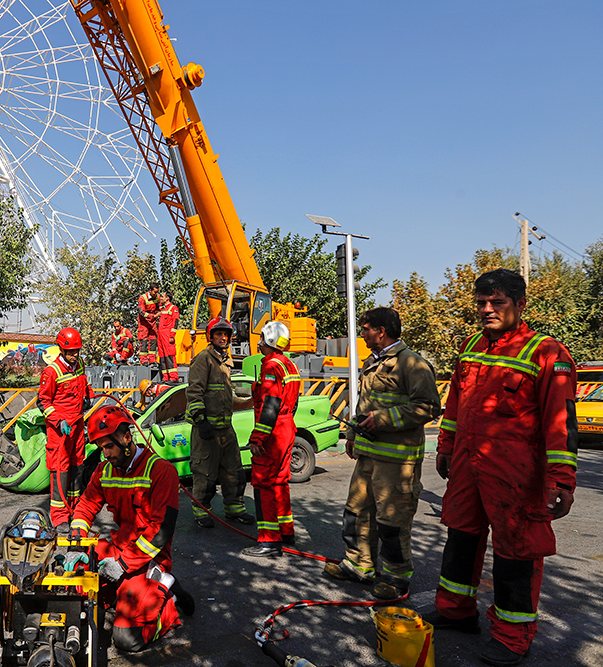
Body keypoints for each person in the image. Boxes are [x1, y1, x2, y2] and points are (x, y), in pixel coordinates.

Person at [424, 269, 578, 666]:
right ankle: (455, 611)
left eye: (497, 302)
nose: (487, 309)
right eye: (481, 303)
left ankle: (513, 636)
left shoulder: (546, 352)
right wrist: (446, 446)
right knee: (461, 536)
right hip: (467, 465)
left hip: (517, 475)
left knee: (517, 551)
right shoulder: (471, 346)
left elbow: (560, 421)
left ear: (520, 304)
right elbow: (456, 404)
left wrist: (561, 480)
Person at [322, 307, 440, 599]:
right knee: (356, 513)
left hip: (396, 462)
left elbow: (428, 407)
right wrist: (352, 436)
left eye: (365, 329)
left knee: (392, 522)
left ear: (381, 331)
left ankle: (395, 578)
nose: (362, 334)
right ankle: (358, 565)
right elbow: (364, 404)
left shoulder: (412, 364)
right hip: (367, 456)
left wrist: (383, 419)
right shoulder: (372, 362)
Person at [68, 405, 192, 652]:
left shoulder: (161, 471)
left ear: (127, 438)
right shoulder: (104, 471)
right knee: (74, 580)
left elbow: (161, 531)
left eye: (109, 446)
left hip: (149, 557)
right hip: (120, 549)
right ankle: (122, 591)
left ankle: (168, 598)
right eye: (101, 448)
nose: (105, 454)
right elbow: (85, 507)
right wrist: (76, 542)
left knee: (128, 638)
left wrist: (123, 565)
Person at [185, 316, 255, 527]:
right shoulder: (203, 359)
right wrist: (201, 421)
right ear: (211, 336)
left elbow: (225, 396)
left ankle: (235, 510)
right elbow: (194, 393)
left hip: (226, 429)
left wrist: (250, 400)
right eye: (218, 334)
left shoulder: (225, 362)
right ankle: (202, 513)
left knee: (234, 472)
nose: (223, 338)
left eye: (226, 334)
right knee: (205, 474)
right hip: (207, 430)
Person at [241, 321, 302, 558]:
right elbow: (291, 402)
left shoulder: (270, 366)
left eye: (261, 338)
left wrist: (258, 438)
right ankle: (286, 532)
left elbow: (270, 404)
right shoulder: (289, 365)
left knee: (263, 483)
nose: (258, 342)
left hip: (273, 432)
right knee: (279, 481)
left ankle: (269, 541)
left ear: (269, 340)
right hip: (286, 427)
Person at [37, 327, 94, 531]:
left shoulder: (80, 364)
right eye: (71, 352)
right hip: (60, 430)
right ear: (61, 350)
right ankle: (59, 516)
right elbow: (43, 402)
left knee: (78, 465)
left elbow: (84, 384)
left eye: (77, 351)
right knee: (60, 469)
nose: (75, 355)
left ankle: (75, 508)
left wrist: (88, 397)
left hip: (77, 425)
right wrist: (58, 420)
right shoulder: (52, 372)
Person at [156, 292, 180, 382]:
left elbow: (175, 322)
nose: (161, 298)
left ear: (167, 298)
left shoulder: (173, 308)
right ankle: (165, 377)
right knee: (162, 357)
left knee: (169, 355)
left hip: (167, 335)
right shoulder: (163, 309)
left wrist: (172, 335)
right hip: (160, 336)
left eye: (162, 297)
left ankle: (173, 377)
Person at [136, 282, 160, 366]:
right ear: (150, 290)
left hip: (153, 322)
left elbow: (159, 306)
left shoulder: (157, 297)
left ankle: (152, 360)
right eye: (155, 292)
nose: (156, 294)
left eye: (157, 292)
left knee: (153, 340)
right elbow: (141, 312)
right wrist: (152, 316)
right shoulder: (142, 298)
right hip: (144, 323)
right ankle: (144, 360)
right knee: (144, 341)